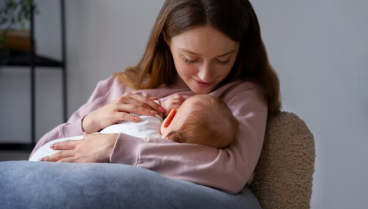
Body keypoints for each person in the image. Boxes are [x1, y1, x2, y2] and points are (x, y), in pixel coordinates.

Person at [30, 0, 281, 194]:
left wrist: (116, 148)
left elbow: (232, 172)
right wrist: (90, 121)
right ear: (166, 40)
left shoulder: (240, 96)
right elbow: (41, 152)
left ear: (241, 49)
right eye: (190, 58)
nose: (206, 74)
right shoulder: (119, 87)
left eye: (223, 59)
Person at [29, 94, 238, 161]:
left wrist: (163, 105)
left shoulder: (147, 117)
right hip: (64, 153)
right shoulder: (160, 154)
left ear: (171, 115)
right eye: (190, 58)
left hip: (53, 151)